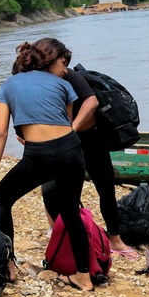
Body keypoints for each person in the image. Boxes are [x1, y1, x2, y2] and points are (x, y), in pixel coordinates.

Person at [0, 38, 95, 291]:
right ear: (49, 61)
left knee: (1, 199)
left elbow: (1, 132)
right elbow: (65, 124)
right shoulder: (63, 85)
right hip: (72, 150)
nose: (65, 69)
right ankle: (84, 276)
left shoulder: (9, 84)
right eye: (63, 63)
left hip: (38, 155)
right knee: (70, 212)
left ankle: (8, 266)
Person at [40, 67, 139, 260]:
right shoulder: (38, 82)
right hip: (60, 140)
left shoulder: (71, 76)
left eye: (63, 62)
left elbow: (91, 103)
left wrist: (72, 129)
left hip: (90, 138)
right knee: (51, 189)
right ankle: (58, 230)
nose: (62, 68)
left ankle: (115, 239)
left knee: (105, 187)